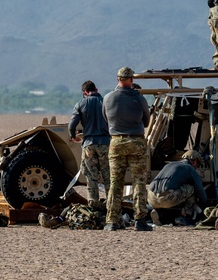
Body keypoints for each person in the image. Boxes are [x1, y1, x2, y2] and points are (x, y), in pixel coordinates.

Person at [102, 66, 152, 231]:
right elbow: (146, 122)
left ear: (117, 79)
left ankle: (111, 221)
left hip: (116, 142)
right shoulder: (139, 99)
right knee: (139, 182)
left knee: (115, 183)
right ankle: (140, 220)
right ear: (131, 80)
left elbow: (105, 120)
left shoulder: (108, 98)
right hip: (137, 142)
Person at [68, 80, 111, 209]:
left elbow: (72, 125)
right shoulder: (106, 103)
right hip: (105, 143)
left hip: (88, 144)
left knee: (91, 177)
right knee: (108, 175)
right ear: (96, 90)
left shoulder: (80, 104)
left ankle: (93, 204)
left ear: (84, 92)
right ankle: (112, 204)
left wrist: (73, 136)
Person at [148, 150, 208, 225]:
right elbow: (201, 193)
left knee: (169, 192)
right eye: (198, 165)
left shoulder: (169, 165)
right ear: (195, 161)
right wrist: (205, 206)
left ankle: (159, 214)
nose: (197, 167)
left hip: (151, 198)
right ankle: (185, 217)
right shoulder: (189, 168)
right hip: (166, 199)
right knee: (191, 188)